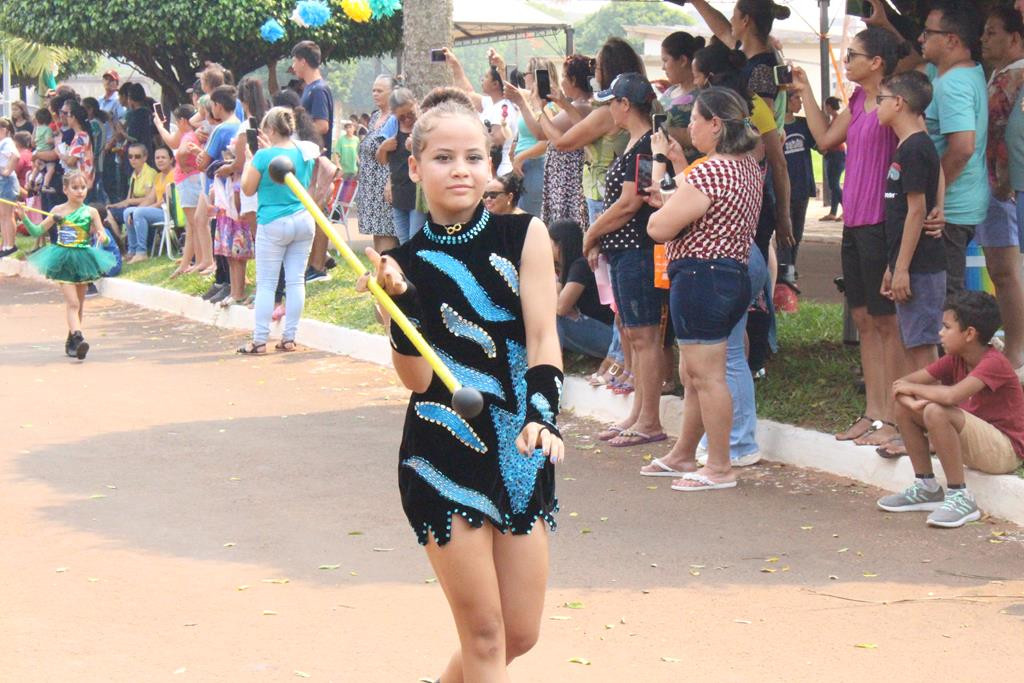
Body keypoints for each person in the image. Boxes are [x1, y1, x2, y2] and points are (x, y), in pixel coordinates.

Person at [355, 90, 562, 681]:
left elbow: (543, 337)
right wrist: (402, 306)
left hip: (521, 446)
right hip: (442, 452)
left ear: (490, 164)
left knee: (519, 633)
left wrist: (542, 416)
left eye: (474, 157)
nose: (461, 170)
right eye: (444, 158)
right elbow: (416, 379)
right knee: (485, 636)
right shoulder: (402, 265)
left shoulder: (524, 235)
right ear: (415, 168)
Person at [791, 28, 911, 447]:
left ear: (877, 61)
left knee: (887, 322)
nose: (847, 62)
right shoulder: (859, 99)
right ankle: (874, 414)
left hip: (882, 221)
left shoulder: (895, 101)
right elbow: (824, 139)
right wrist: (805, 89)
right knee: (863, 319)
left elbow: (920, 153)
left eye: (853, 55)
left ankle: (896, 418)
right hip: (855, 224)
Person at [645, 86, 764, 490]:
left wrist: (666, 202)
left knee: (707, 375)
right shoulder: (746, 166)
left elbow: (660, 226)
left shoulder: (712, 171)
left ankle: (718, 465)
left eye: (694, 119)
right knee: (694, 371)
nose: (689, 127)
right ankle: (683, 453)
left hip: (702, 276)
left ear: (715, 124)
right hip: (732, 273)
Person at [878, 291, 1024, 527]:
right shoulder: (956, 358)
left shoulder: (993, 362)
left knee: (937, 410)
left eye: (946, 327)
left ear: (969, 334)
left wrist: (912, 391)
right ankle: (926, 487)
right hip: (976, 444)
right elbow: (900, 386)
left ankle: (959, 496)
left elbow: (951, 395)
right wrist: (911, 401)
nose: (940, 333)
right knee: (906, 408)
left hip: (1004, 452)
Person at [582, 73, 667, 448]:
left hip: (638, 250)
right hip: (624, 250)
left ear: (625, 105)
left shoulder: (646, 146)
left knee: (645, 336)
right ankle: (638, 414)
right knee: (634, 334)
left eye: (611, 102)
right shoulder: (637, 143)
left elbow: (631, 202)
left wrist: (592, 232)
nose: (608, 110)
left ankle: (649, 419)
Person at [876, 71, 947, 461]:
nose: (878, 105)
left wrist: (902, 268)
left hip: (920, 268)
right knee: (914, 346)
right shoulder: (910, 147)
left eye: (881, 98)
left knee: (923, 353)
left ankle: (934, 428)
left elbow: (917, 210)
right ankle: (918, 426)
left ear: (899, 103)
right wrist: (892, 266)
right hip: (906, 263)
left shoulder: (916, 148)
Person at [917, 1, 989, 296]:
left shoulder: (954, 84)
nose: (920, 38)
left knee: (945, 300)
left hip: (949, 212)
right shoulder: (959, 72)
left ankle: (953, 344)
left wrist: (934, 197)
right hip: (958, 205)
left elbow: (962, 148)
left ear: (951, 40)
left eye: (927, 32)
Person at [240, 107, 317, 354]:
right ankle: (289, 337)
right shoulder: (305, 152)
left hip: (273, 222)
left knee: (266, 284)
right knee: (296, 281)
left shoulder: (263, 157)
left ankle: (260, 340)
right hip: (304, 219)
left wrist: (251, 159)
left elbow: (247, 189)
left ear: (271, 130)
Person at [22, 170, 115, 359]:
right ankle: (79, 337)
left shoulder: (91, 211)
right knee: (72, 303)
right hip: (63, 259)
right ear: (65, 189)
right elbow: (37, 230)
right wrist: (23, 215)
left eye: (82, 187)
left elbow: (104, 237)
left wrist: (102, 237)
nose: (80, 192)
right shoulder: (57, 211)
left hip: (84, 258)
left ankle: (71, 341)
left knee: (79, 304)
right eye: (75, 188)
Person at [979, 5, 1024, 381]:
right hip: (993, 184)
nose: (983, 39)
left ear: (1014, 38)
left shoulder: (1017, 77)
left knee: (1006, 271)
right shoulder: (998, 76)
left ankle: (1017, 347)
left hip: (1004, 187)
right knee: (999, 268)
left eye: (992, 32)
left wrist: (1006, 182)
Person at [551, 218, 614, 359]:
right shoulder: (570, 266)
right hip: (600, 331)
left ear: (559, 244)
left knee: (552, 317)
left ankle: (550, 364)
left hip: (608, 336)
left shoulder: (581, 265)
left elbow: (561, 308)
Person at [352, 75, 398, 257]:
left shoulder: (396, 118)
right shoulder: (375, 117)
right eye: (373, 90)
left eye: (380, 90)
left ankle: (390, 277)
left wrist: (391, 181)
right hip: (370, 186)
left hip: (385, 184)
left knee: (387, 232)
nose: (375, 94)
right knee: (377, 233)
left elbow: (398, 153)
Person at [377, 88, 424, 244]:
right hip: (398, 192)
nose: (407, 120)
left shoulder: (424, 124)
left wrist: (416, 148)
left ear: (416, 103)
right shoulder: (393, 125)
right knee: (404, 241)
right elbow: (383, 160)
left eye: (410, 114)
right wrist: (383, 148)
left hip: (418, 193)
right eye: (401, 117)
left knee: (415, 239)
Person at [779, 91, 816, 285]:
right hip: (785, 188)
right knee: (785, 233)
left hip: (802, 185)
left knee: (798, 232)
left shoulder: (803, 124)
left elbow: (820, 144)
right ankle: (785, 271)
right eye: (796, 98)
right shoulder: (777, 127)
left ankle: (791, 267)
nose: (799, 102)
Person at [658, 31, 706, 162]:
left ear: (683, 60)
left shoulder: (703, 97)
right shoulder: (670, 90)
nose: (663, 67)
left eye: (665, 60)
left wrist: (660, 132)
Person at [122, 146, 174, 263]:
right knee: (127, 212)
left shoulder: (174, 174)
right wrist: (135, 211)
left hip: (169, 211)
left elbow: (165, 200)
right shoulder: (159, 176)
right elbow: (150, 198)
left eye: (163, 157)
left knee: (139, 212)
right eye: (157, 158)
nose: (160, 160)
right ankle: (132, 250)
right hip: (158, 210)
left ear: (171, 159)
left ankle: (141, 252)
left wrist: (140, 211)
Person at [105, 142, 157, 241]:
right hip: (134, 207)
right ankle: (121, 241)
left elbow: (149, 199)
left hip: (145, 208)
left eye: (137, 156)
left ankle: (122, 243)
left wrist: (130, 202)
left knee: (115, 213)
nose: (133, 159)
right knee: (108, 212)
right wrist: (115, 205)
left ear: (145, 157)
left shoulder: (150, 173)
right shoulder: (133, 173)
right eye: (130, 156)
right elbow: (128, 199)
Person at [292, 40, 334, 154]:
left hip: (315, 161)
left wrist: (295, 134)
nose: (293, 66)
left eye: (294, 61)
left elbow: (322, 126)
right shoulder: (309, 88)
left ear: (303, 62)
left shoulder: (318, 90)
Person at [821, 96, 845, 221]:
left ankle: (846, 207)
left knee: (834, 183)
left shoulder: (838, 119)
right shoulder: (833, 119)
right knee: (832, 183)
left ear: (829, 106)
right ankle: (833, 212)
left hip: (837, 154)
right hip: (832, 154)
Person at [0, 118, 20, 258]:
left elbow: (16, 156)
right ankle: (5, 244)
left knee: (7, 214)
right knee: (3, 215)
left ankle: (10, 245)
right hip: (2, 181)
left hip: (6, 181)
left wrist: (7, 171)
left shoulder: (7, 142)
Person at [32, 108, 57, 193]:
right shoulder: (48, 129)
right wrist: (56, 140)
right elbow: (48, 140)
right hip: (46, 151)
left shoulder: (38, 129)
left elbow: (36, 140)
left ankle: (32, 179)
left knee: (37, 167)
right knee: (51, 169)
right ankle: (46, 185)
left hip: (38, 150)